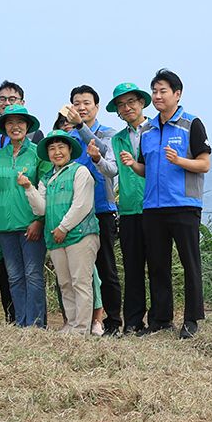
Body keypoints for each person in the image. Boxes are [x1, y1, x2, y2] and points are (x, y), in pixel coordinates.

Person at [129, 69, 211, 338]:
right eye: (154, 91)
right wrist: (134, 165)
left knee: (190, 263)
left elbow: (204, 164)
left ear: (177, 94)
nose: (157, 96)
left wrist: (179, 161)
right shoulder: (149, 129)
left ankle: (191, 320)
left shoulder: (191, 123)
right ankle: (161, 320)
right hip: (153, 207)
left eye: (163, 91)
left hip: (184, 205)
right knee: (158, 265)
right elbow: (147, 167)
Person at [23, 129, 100, 335]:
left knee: (81, 281)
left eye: (61, 147)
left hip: (80, 235)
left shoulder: (80, 171)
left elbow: (81, 205)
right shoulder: (47, 177)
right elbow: (41, 209)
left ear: (69, 150)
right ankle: (73, 324)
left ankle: (82, 328)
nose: (57, 152)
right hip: (56, 237)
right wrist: (29, 188)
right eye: (52, 148)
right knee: (65, 283)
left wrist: (63, 227)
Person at [0, 105, 47, 327]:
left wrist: (39, 221)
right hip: (5, 226)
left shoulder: (38, 153)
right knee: (15, 277)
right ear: (4, 127)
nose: (15, 126)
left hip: (30, 224)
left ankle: (36, 325)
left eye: (20, 122)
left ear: (28, 126)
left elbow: (46, 188)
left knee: (33, 275)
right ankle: (21, 323)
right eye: (10, 123)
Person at [67, 85, 123, 334]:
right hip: (76, 212)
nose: (81, 107)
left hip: (102, 208)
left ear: (96, 107)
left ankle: (113, 321)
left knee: (106, 268)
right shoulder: (67, 136)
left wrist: (80, 127)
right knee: (79, 271)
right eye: (76, 103)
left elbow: (102, 151)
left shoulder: (110, 133)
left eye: (86, 102)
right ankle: (84, 320)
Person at [98, 82, 151, 334]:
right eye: (121, 104)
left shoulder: (156, 129)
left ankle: (161, 320)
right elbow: (111, 170)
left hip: (156, 207)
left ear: (142, 103)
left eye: (131, 102)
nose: (127, 107)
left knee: (158, 267)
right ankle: (133, 322)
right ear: (117, 111)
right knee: (132, 269)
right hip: (129, 209)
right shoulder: (117, 139)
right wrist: (98, 159)